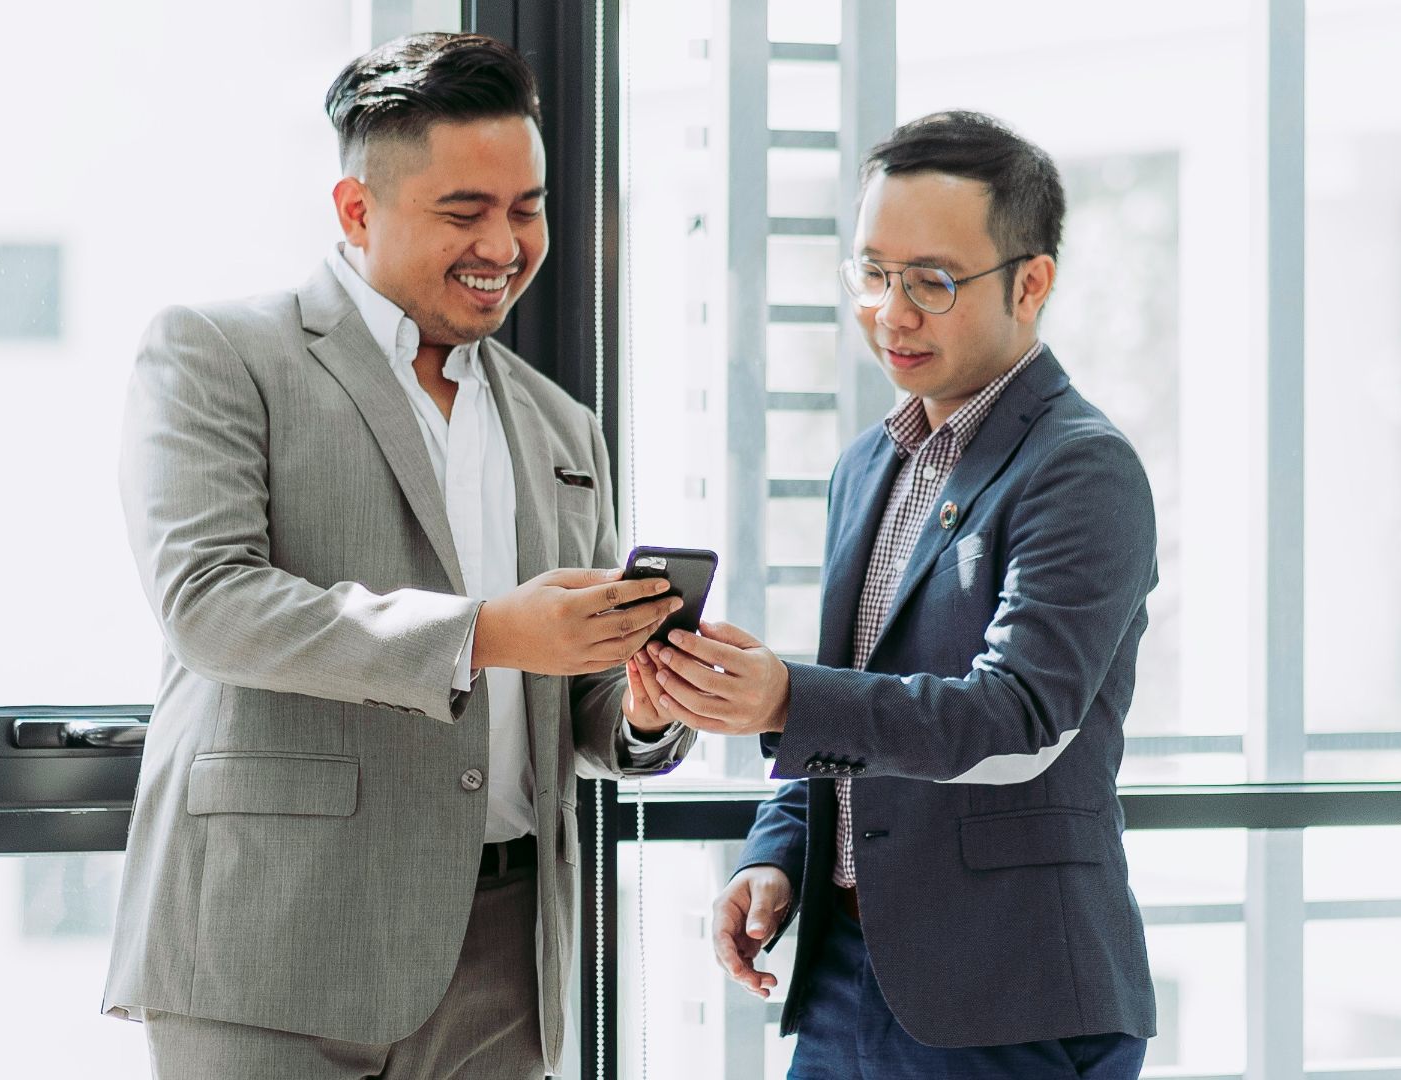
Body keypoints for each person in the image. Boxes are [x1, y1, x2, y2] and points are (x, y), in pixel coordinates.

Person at [102, 32, 695, 1080]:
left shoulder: (564, 430)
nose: (505, 244)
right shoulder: (218, 353)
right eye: (465, 211)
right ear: (357, 211)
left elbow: (583, 709)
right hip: (276, 945)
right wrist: (487, 632)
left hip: (509, 955)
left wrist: (649, 704)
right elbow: (208, 601)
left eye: (528, 207)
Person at [634, 111, 1158, 1078]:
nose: (892, 312)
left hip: (1007, 994)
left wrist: (783, 696)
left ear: (1032, 284)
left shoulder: (1083, 470)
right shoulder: (870, 463)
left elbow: (1021, 718)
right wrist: (776, 855)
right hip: (844, 973)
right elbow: (851, 714)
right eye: (872, 275)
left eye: (932, 282)